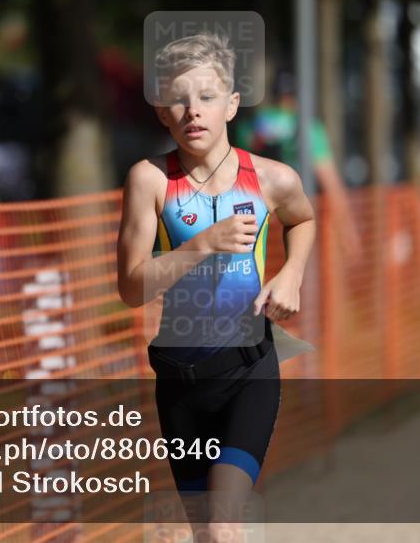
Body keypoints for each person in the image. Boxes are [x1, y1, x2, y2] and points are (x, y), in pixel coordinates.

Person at [117, 32, 316, 541]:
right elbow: (132, 289)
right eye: (178, 100)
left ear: (231, 104)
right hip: (180, 381)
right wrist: (202, 244)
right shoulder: (150, 180)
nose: (193, 111)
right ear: (161, 112)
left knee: (224, 526)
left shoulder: (272, 178)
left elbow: (303, 220)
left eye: (207, 96)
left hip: (248, 371)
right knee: (206, 534)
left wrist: (291, 275)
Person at [234, 69, 362, 262]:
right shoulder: (308, 128)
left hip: (257, 220)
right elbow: (330, 181)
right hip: (295, 217)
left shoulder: (254, 125)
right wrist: (348, 231)